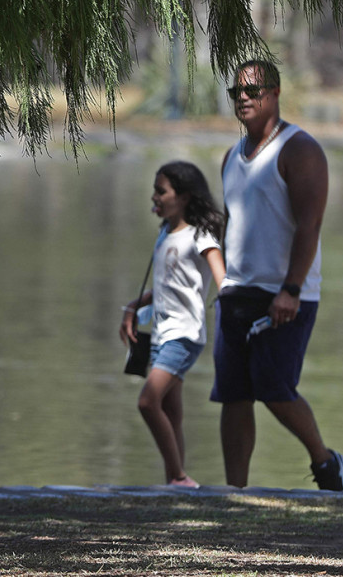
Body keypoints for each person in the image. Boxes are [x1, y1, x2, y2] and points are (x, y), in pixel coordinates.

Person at [213, 60, 343, 490]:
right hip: (237, 291)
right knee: (233, 395)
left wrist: (290, 289)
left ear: (275, 93)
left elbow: (310, 225)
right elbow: (234, 224)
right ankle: (235, 493)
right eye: (237, 93)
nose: (244, 99)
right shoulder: (231, 156)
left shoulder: (299, 149)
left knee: (274, 387)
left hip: (286, 294)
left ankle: (326, 464)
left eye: (253, 91)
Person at [120, 161, 226, 488]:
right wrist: (132, 308)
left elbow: (222, 279)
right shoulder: (166, 232)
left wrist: (235, 307)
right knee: (172, 411)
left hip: (184, 335)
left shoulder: (202, 234)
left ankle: (180, 477)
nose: (154, 196)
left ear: (184, 196)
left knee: (147, 401)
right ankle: (173, 484)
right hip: (162, 334)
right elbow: (168, 285)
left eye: (161, 190)